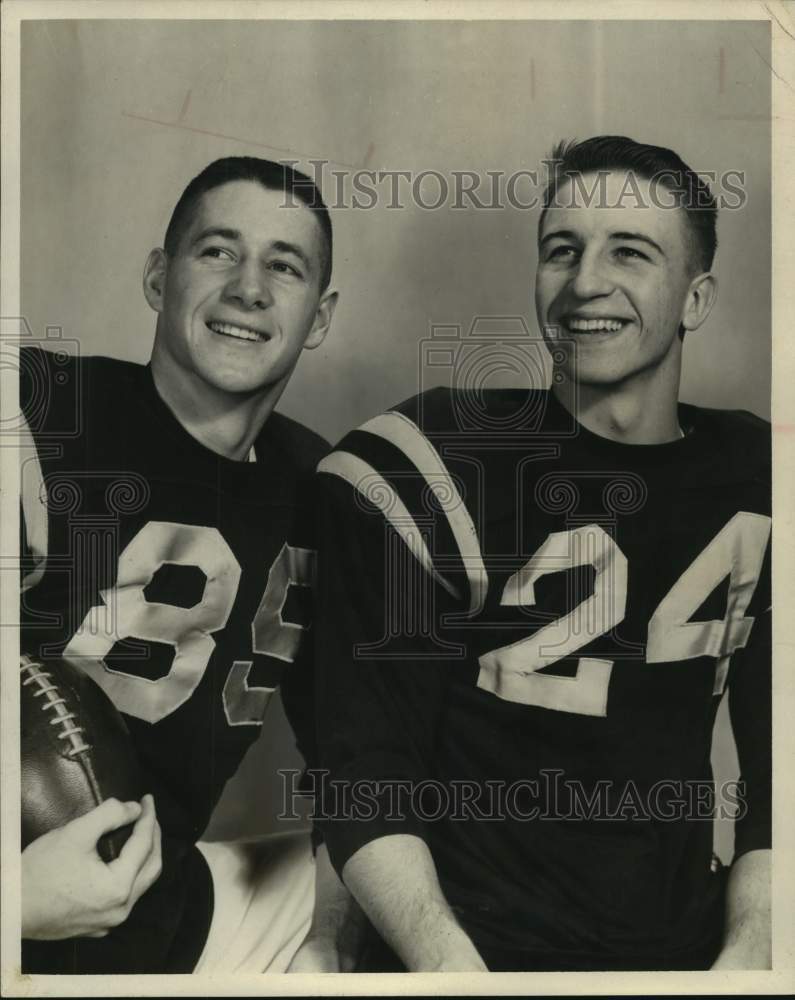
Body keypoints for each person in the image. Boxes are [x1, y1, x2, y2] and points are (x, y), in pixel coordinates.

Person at [313, 136, 772, 971]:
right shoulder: (436, 457)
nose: (584, 282)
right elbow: (364, 770)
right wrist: (447, 967)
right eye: (561, 250)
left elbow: (779, 772)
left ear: (695, 299)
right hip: (465, 944)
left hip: (681, 943)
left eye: (628, 252)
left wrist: (749, 955)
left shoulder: (756, 477)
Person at [19, 155, 360, 973]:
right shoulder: (33, 411)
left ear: (319, 315)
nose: (249, 288)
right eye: (218, 251)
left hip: (173, 912)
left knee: (447, 873)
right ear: (156, 275)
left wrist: (326, 939)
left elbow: (366, 762)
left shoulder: (327, 493)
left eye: (284, 266)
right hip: (25, 907)